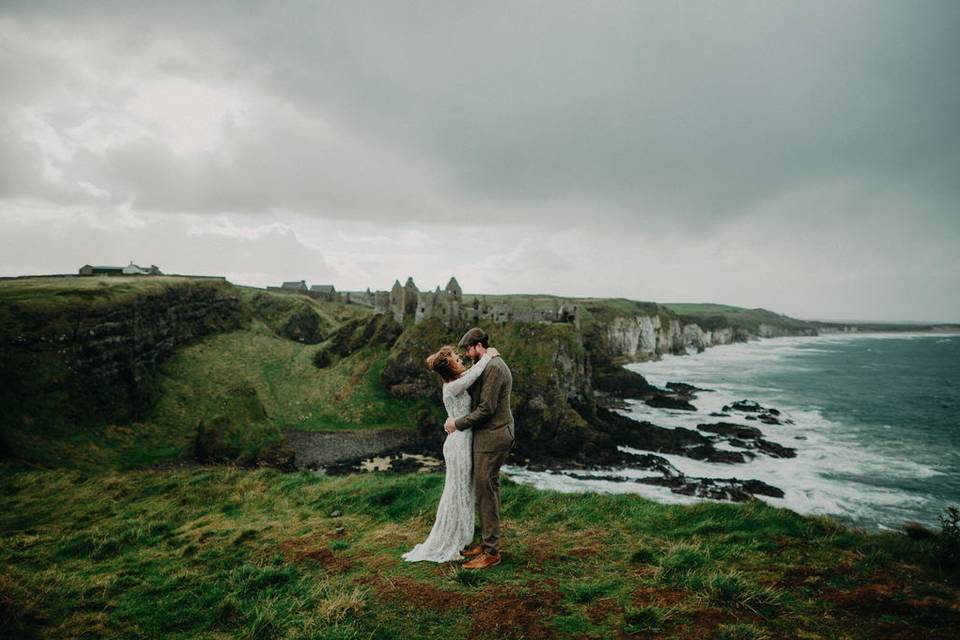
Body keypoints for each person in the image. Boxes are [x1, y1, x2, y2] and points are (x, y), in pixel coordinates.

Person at [401, 344, 499, 563]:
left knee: (464, 490)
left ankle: (462, 537)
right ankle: (451, 539)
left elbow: (468, 373)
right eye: (456, 358)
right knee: (457, 491)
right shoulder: (452, 387)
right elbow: (473, 375)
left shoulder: (453, 381)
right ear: (450, 365)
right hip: (459, 444)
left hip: (461, 439)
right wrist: (487, 357)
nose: (459, 359)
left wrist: (480, 358)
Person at [444, 327, 514, 570]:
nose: (466, 354)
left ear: (479, 346)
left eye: (468, 349)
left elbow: (486, 409)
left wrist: (457, 424)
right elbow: (473, 377)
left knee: (486, 492)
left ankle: (492, 552)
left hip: (493, 438)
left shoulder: (495, 368)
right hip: (487, 437)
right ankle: (486, 545)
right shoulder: (489, 363)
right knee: (485, 489)